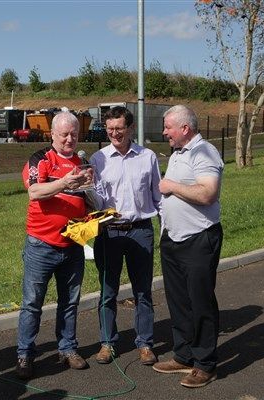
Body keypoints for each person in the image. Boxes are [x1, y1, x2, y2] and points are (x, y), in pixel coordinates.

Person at [16, 112, 92, 379]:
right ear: (52, 135)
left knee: (70, 302)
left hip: (72, 245)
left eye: (74, 134)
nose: (69, 139)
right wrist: (63, 183)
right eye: (64, 134)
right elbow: (34, 192)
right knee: (32, 303)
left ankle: (67, 348)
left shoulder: (82, 162)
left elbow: (87, 200)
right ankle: (25, 354)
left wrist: (95, 213)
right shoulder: (41, 159)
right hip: (42, 245)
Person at [153, 105, 224, 388]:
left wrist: (171, 186)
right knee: (179, 301)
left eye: (168, 127)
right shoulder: (178, 153)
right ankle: (184, 355)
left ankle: (205, 364)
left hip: (198, 238)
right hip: (173, 238)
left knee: (200, 302)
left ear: (185, 128)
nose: (164, 132)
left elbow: (208, 193)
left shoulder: (204, 152)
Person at [88, 106, 161, 365]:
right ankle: (107, 343)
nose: (114, 133)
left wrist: (166, 228)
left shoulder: (148, 157)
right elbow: (95, 201)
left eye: (119, 128)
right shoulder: (98, 159)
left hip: (141, 230)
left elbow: (158, 196)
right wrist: (86, 189)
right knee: (108, 291)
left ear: (130, 128)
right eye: (110, 129)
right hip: (109, 233)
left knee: (143, 291)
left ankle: (145, 343)